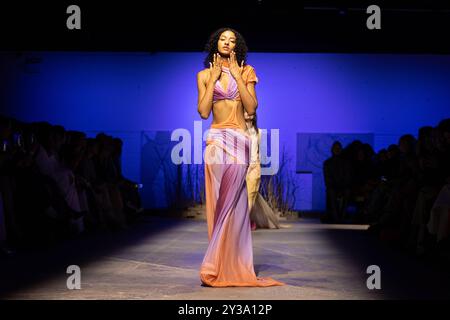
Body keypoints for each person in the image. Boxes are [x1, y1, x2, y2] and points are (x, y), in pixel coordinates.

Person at [197, 27, 285, 287]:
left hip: (239, 140)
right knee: (217, 203)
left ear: (237, 46)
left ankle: (225, 263)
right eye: (223, 39)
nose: (227, 42)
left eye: (232, 40)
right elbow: (203, 112)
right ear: (216, 43)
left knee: (232, 205)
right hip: (215, 140)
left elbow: (251, 106)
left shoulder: (247, 71)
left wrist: (236, 74)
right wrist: (212, 80)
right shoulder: (203, 75)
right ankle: (217, 263)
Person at [244, 111, 280, 230]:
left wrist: (255, 164)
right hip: (242, 167)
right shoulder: (239, 131)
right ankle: (249, 220)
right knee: (241, 197)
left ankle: (244, 224)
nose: (248, 114)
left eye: (251, 112)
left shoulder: (258, 132)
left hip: (255, 167)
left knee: (251, 195)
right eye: (245, 112)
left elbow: (257, 150)